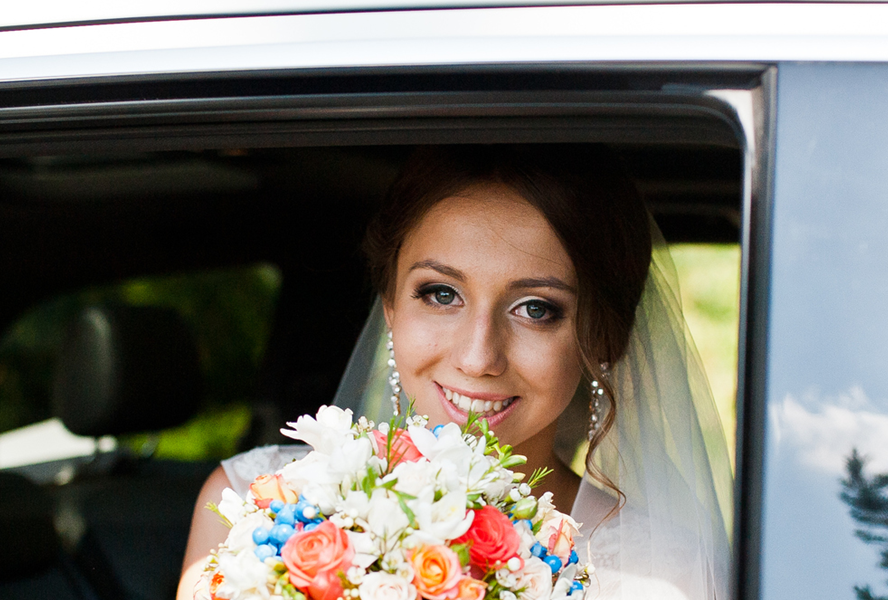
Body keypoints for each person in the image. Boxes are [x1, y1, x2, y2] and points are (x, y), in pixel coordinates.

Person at [178, 145, 733, 600]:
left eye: (536, 308)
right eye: (441, 294)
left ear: (603, 338)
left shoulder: (662, 575)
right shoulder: (253, 507)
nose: (478, 356)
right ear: (391, 307)